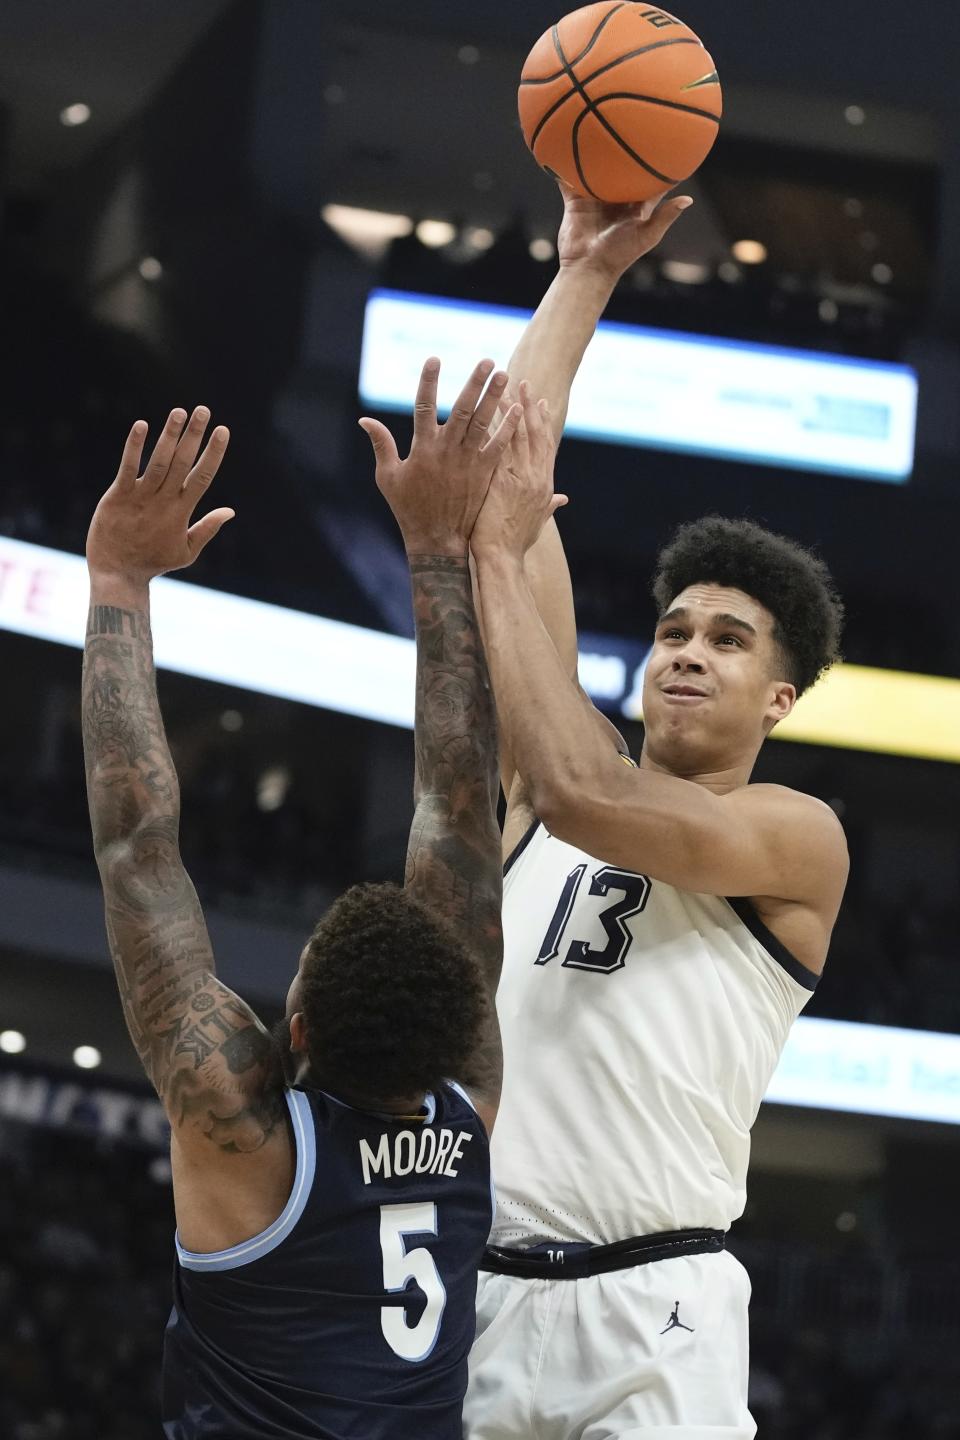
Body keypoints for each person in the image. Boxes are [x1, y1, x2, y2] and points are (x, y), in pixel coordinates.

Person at [81, 361, 541, 1440]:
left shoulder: (247, 1126)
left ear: (291, 1028)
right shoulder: (466, 1109)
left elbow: (138, 840)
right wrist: (439, 556)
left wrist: (115, 585)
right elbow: (462, 810)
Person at [457, 189, 850, 1439]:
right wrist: (582, 274)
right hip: (483, 1295)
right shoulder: (538, 789)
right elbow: (506, 489)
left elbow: (589, 789)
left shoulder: (795, 837)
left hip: (659, 1304)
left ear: (778, 697)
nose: (687, 652)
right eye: (674, 629)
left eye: (728, 641)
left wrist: (486, 558)